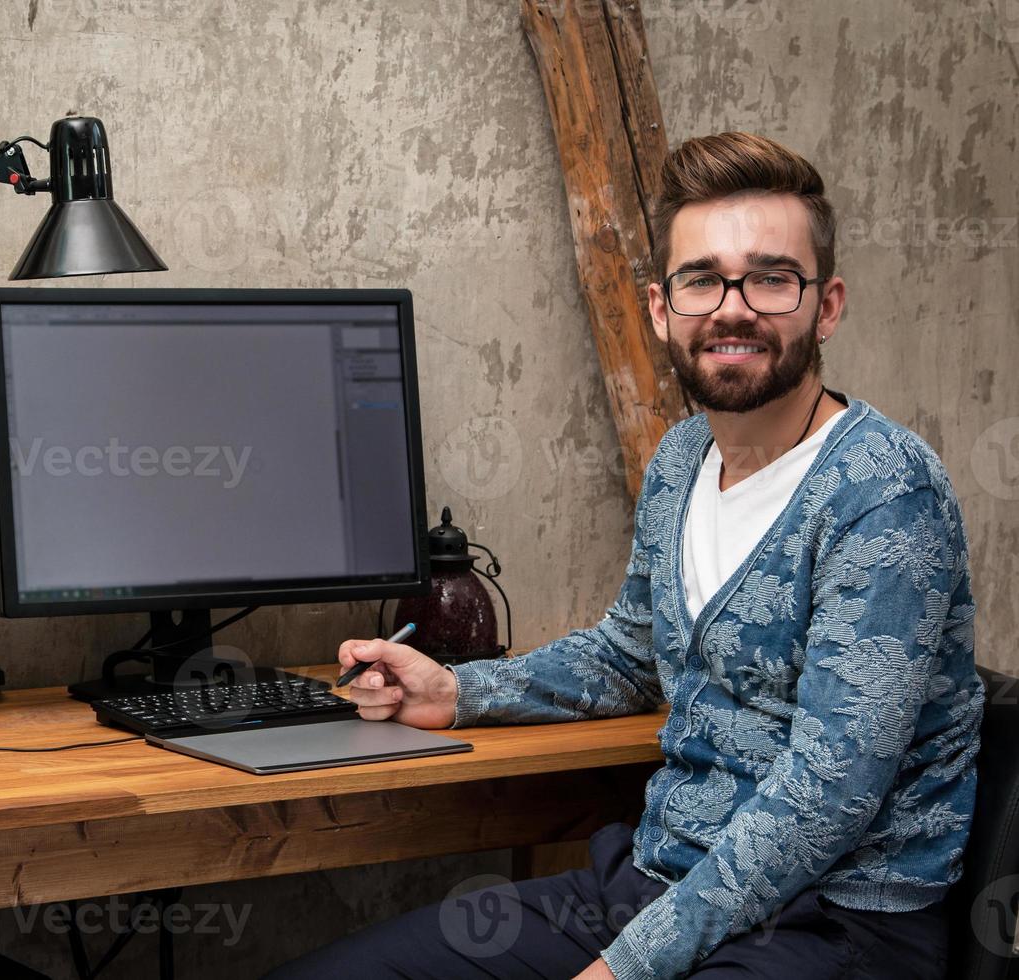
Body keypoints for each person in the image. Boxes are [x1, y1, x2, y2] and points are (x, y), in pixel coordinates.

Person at [267, 133, 982, 980]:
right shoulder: (683, 461)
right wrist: (460, 689)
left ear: (825, 306)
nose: (733, 307)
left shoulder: (884, 491)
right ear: (660, 308)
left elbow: (826, 797)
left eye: (771, 278)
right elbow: (630, 655)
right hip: (659, 883)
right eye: (702, 279)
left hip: (834, 924)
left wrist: (625, 968)